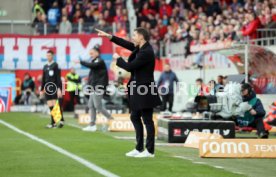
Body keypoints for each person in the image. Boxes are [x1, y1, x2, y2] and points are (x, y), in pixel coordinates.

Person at [97, 27, 162, 158]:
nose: (132, 37)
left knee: (147, 120)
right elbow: (125, 43)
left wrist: (118, 58)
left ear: (141, 37)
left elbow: (130, 67)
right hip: (136, 89)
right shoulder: (139, 48)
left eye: (134, 35)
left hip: (145, 90)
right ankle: (139, 148)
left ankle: (149, 151)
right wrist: (109, 36)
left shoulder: (147, 52)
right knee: (134, 117)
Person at [75, 45, 113, 132]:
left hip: (99, 86)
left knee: (98, 106)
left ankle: (111, 119)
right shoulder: (95, 61)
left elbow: (91, 65)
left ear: (97, 53)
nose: (90, 55)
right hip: (94, 87)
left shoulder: (100, 61)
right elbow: (92, 75)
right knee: (91, 105)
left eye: (92, 53)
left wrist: (81, 62)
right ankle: (92, 125)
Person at [40, 50, 64, 128]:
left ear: (52, 56)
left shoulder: (55, 65)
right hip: (47, 88)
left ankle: (60, 120)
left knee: (55, 105)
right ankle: (54, 122)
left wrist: (59, 89)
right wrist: (41, 89)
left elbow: (58, 78)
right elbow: (43, 78)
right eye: (47, 55)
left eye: (49, 55)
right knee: (50, 105)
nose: (48, 57)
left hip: (54, 87)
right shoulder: (45, 66)